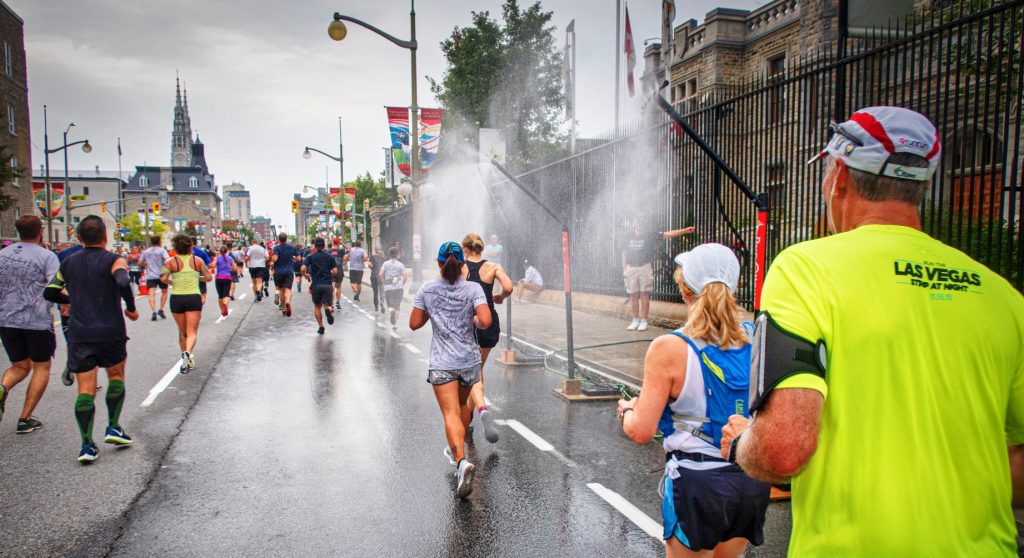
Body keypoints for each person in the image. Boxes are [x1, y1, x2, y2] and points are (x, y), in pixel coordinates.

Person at [719, 107, 1024, 556]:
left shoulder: (806, 270)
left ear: (839, 176)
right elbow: (1017, 463)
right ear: (919, 186)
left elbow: (784, 448)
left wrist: (743, 443)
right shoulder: (1003, 296)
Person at [617, 243, 769, 558]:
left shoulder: (669, 348)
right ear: (733, 287)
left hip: (698, 484)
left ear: (685, 292)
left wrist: (628, 411)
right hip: (750, 482)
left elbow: (641, 431)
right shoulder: (756, 336)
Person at [43, 216, 139, 463]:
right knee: (115, 377)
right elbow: (122, 280)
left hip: (81, 333)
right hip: (110, 330)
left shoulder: (69, 263)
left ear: (79, 238)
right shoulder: (114, 259)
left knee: (85, 389)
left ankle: (86, 445)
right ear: (105, 237)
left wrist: (72, 300)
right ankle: (114, 427)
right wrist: (130, 306)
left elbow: (50, 291)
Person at [409, 242, 491, 499]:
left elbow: (414, 324)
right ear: (462, 264)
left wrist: (431, 313)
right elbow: (486, 321)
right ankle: (457, 450)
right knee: (463, 407)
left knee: (450, 412)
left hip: (443, 363)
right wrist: (474, 317)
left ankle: (461, 462)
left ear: (438, 262)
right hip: (468, 361)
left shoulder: (428, 289)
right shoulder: (473, 288)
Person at [0, 215, 59, 433]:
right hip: (36, 321)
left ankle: (2, 387)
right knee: (41, 366)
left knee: (20, 366)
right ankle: (25, 418)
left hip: (6, 319)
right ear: (40, 231)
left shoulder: (2, 255)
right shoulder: (47, 256)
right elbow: (56, 288)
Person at [461, 233, 514, 444]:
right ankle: (470, 419)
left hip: (468, 323)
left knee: (473, 374)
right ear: (481, 249)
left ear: (465, 249)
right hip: (489, 322)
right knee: (477, 370)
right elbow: (509, 287)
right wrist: (500, 297)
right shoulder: (493, 267)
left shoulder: (460, 267)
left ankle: (482, 409)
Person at [621, 218, 696, 332]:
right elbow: (624, 252)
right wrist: (624, 269)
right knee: (633, 295)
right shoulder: (628, 236)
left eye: (641, 222)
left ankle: (644, 320)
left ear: (644, 224)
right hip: (631, 267)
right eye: (637, 222)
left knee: (644, 294)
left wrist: (685, 230)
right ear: (634, 224)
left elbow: (667, 234)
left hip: (644, 266)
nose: (639, 224)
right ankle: (635, 319)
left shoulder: (649, 236)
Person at [161, 234, 212, 374]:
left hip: (176, 298)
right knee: (192, 332)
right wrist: (196, 277)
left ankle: (185, 357)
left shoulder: (170, 262)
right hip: (193, 298)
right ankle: (188, 353)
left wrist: (173, 282)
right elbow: (208, 277)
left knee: (182, 332)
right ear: (190, 246)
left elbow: (163, 278)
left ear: (175, 247)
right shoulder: (198, 261)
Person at [301, 237, 337, 335]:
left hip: (316, 285)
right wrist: (329, 272)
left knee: (317, 306)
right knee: (328, 305)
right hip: (327, 285)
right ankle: (328, 310)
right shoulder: (330, 257)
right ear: (324, 245)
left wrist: (305, 275)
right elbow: (335, 271)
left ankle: (321, 326)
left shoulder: (310, 256)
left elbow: (303, 268)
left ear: (315, 246)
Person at [140, 235, 169, 321]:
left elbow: (139, 262)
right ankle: (161, 309)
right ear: (159, 241)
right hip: (161, 274)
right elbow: (167, 260)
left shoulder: (146, 252)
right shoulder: (162, 251)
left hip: (151, 275)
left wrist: (146, 264)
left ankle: (153, 311)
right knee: (164, 292)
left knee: (151, 294)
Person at [271, 232, 299, 317]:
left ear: (279, 239)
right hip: (289, 271)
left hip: (278, 271)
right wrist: (292, 259)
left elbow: (275, 259)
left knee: (281, 290)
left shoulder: (276, 248)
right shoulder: (292, 248)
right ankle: (288, 302)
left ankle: (283, 307)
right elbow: (298, 258)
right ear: (286, 239)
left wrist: (272, 259)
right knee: (288, 289)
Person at [379, 246, 407, 329]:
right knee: (397, 305)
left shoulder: (385, 264)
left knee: (390, 306)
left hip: (388, 287)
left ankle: (392, 311)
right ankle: (394, 324)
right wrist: (402, 283)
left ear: (389, 254)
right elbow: (405, 276)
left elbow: (380, 274)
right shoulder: (401, 264)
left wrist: (383, 282)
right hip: (398, 287)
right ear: (397, 254)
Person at [213, 245, 236, 317]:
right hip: (227, 277)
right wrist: (230, 267)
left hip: (219, 278)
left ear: (220, 251)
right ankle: (225, 305)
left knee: (220, 296)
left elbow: (213, 265)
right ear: (226, 251)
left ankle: (222, 311)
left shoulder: (217, 258)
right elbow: (235, 268)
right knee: (226, 295)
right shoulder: (230, 258)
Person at [190, 238, 212, 305]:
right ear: (196, 243)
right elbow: (209, 264)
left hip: (188, 276)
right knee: (202, 294)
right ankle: (199, 305)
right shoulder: (202, 252)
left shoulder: (183, 253)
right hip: (200, 275)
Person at [329, 239, 348, 310]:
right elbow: (349, 249)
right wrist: (342, 243)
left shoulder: (329, 251)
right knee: (338, 287)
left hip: (331, 270)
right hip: (339, 270)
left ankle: (331, 304)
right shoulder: (341, 251)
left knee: (332, 288)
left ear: (332, 242)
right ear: (338, 243)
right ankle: (338, 301)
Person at [368, 248, 385, 314]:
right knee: (381, 292)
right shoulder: (384, 259)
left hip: (373, 276)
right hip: (381, 277)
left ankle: (376, 307)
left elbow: (370, 265)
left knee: (375, 293)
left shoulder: (372, 257)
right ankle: (382, 302)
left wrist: (372, 268)